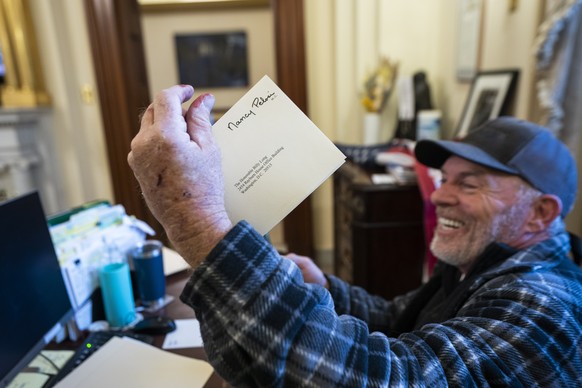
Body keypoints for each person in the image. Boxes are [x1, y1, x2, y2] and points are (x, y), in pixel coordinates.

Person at [128, 85, 582, 386]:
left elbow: (378, 377)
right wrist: (326, 289)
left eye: (470, 183)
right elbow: (397, 320)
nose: (441, 197)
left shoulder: (544, 304)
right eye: (445, 179)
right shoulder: (487, 263)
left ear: (540, 213)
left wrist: (194, 214)